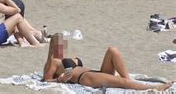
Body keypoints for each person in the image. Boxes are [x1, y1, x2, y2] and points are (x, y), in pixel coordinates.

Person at [43, 33, 173, 91]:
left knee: (113, 50)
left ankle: (129, 82)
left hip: (94, 73)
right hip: (85, 78)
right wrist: (60, 80)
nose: (61, 47)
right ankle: (154, 88)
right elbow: (45, 81)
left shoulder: (71, 57)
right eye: (58, 44)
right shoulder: (54, 61)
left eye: (63, 43)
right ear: (54, 47)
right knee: (122, 82)